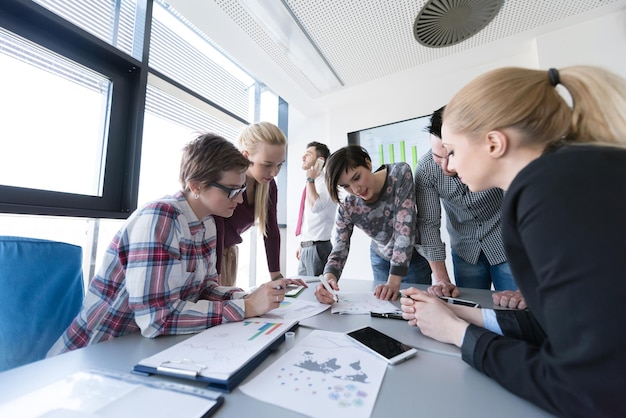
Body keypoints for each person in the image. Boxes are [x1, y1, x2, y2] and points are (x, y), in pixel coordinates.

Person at [400, 66, 626, 416]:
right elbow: (554, 326)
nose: (451, 167)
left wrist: (459, 335)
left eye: (455, 151)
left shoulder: (548, 193)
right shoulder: (573, 172)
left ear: (493, 142)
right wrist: (458, 316)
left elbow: (586, 390)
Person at [48, 133, 288, 355]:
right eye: (232, 190)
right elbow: (156, 320)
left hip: (141, 348)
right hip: (97, 350)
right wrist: (244, 308)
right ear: (196, 186)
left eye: (242, 188)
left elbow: (204, 290)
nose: (240, 198)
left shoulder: (208, 224)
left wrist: (247, 296)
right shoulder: (160, 218)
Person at [416, 106, 525, 309]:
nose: (446, 166)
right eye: (437, 156)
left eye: (451, 155)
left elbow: (521, 213)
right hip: (465, 250)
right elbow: (428, 225)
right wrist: (441, 279)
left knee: (516, 310)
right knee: (470, 310)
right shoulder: (426, 169)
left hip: (506, 245)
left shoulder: (495, 157)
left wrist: (527, 281)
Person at [315, 145, 432, 303]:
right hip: (380, 257)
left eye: (356, 177)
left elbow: (404, 230)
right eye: (345, 186)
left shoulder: (399, 174)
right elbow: (340, 247)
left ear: (368, 163)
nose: (355, 189)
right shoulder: (349, 205)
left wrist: (392, 282)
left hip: (413, 256)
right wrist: (329, 278)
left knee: (417, 308)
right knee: (384, 307)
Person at [215, 122, 305, 288]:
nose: (274, 172)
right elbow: (217, 228)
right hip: (210, 255)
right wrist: (216, 276)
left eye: (279, 165)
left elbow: (270, 230)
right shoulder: (226, 181)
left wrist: (277, 277)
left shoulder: (268, 186)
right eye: (267, 165)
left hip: (229, 253)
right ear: (245, 156)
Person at [295, 141, 337, 276]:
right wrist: (301, 243)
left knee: (317, 292)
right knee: (302, 289)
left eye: (308, 154)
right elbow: (307, 218)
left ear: (320, 160)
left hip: (319, 248)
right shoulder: (311, 184)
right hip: (307, 247)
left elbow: (315, 207)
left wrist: (310, 180)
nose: (303, 157)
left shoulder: (326, 183)